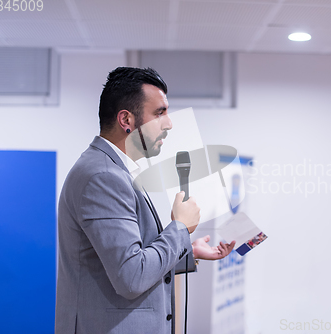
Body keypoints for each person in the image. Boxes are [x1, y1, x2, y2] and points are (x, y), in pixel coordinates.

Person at [55, 67, 235, 334]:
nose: (169, 123)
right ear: (126, 119)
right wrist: (180, 229)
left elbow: (126, 259)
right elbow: (132, 277)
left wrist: (188, 250)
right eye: (159, 112)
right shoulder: (103, 176)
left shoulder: (118, 170)